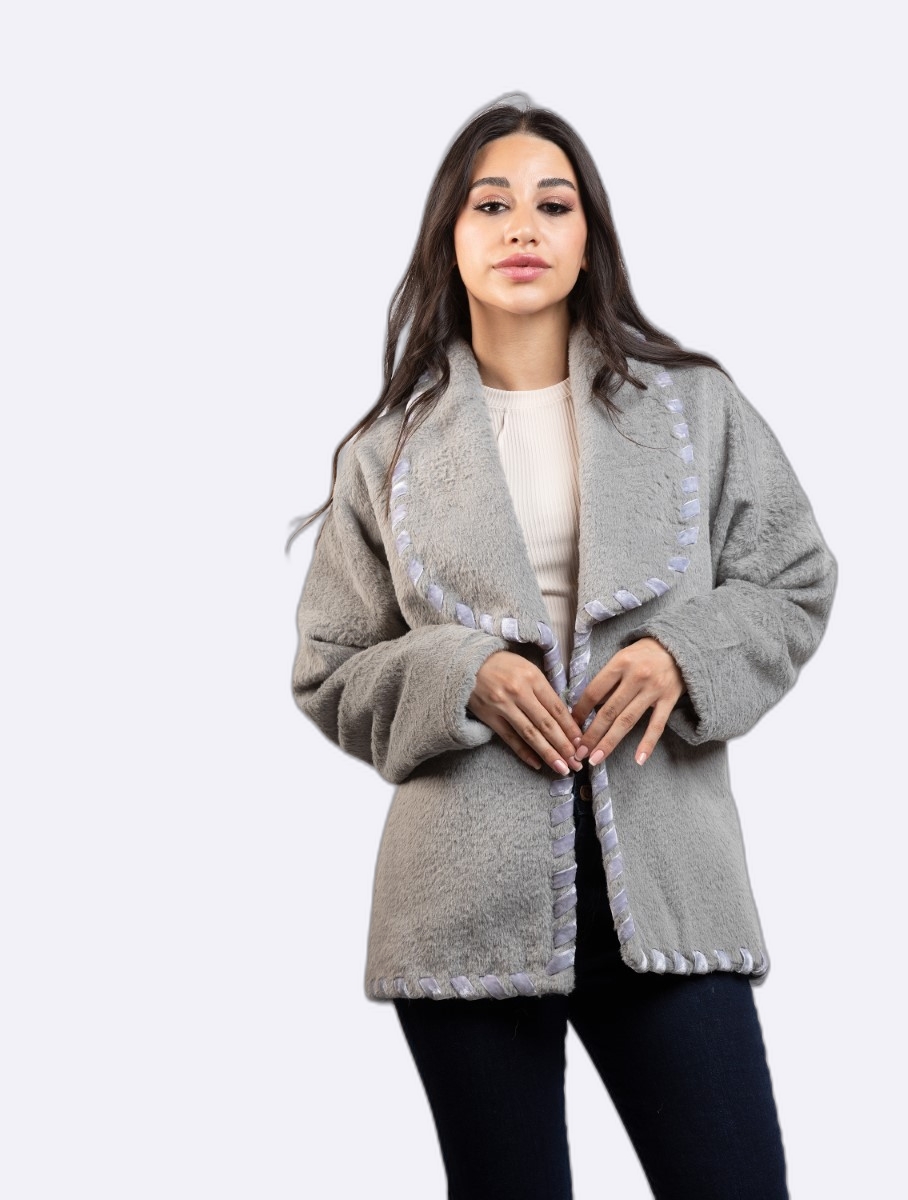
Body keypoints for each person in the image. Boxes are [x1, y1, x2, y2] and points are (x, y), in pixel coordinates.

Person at [288, 91, 838, 1199]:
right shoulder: (387, 451)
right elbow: (330, 666)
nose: (522, 228)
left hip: (670, 884)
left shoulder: (694, 409)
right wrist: (461, 673)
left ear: (590, 239)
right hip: (461, 904)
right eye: (491, 204)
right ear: (451, 237)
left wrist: (684, 651)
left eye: (554, 203)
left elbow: (793, 579)